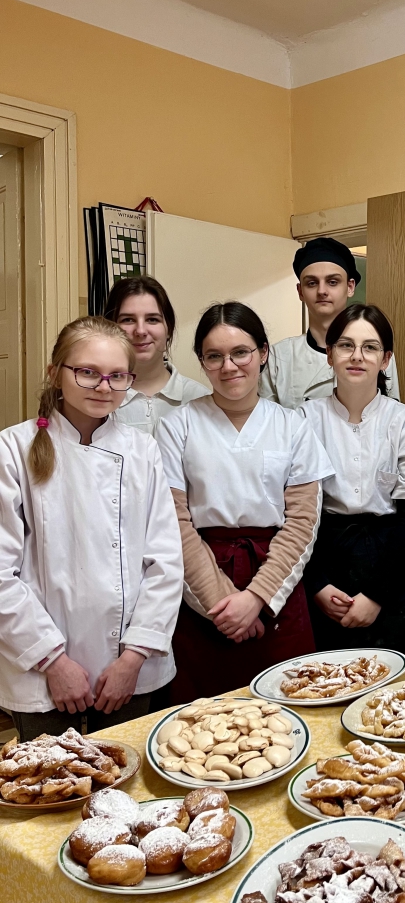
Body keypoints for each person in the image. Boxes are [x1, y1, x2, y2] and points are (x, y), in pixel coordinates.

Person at [0, 317, 183, 740]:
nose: (103, 387)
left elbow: (166, 563)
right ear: (55, 373)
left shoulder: (142, 450)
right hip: (41, 671)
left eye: (117, 376)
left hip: (130, 667)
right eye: (87, 372)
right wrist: (53, 662)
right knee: (51, 791)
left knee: (129, 789)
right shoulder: (14, 450)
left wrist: (133, 658)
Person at [156, 302, 334, 702]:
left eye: (241, 352)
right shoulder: (176, 427)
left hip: (277, 588)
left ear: (263, 353)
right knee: (202, 730)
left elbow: (303, 522)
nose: (229, 366)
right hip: (201, 590)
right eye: (214, 356)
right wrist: (221, 604)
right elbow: (174, 522)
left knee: (288, 714)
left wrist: (257, 599)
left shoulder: (293, 427)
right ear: (202, 362)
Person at [301, 304, 405, 672]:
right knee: (325, 681)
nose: (357, 356)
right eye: (345, 345)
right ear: (329, 354)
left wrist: (376, 595)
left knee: (397, 693)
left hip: (393, 567)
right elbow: (294, 515)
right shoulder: (303, 420)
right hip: (325, 559)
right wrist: (316, 585)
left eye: (370, 347)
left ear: (386, 358)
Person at [259, 236, 400, 408]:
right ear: (300, 291)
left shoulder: (375, 351)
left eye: (332, 282)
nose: (322, 291)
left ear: (350, 287)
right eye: (312, 283)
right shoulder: (278, 357)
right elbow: (269, 424)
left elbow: (391, 413)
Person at [103, 274, 209, 434]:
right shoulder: (98, 398)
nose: (140, 331)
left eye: (152, 319)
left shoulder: (200, 398)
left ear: (169, 329)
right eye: (127, 320)